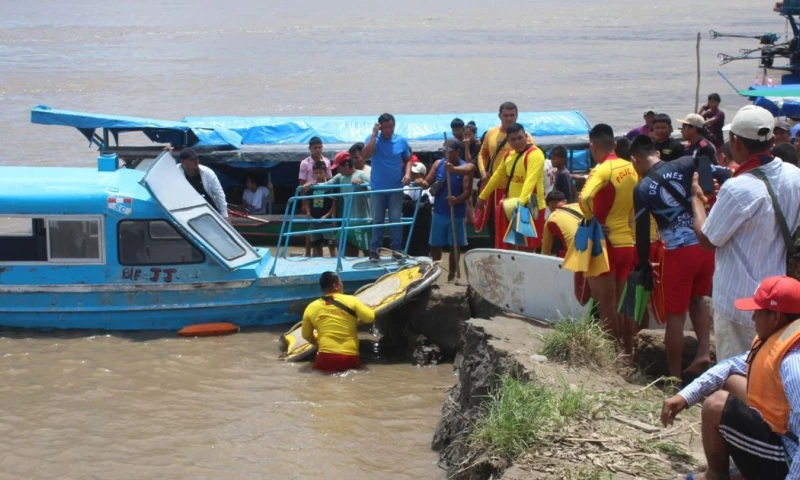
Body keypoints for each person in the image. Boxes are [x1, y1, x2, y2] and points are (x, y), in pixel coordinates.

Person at [660, 275, 800, 480]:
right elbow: (728, 367)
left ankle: (717, 476)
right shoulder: (777, 340)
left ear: (776, 317)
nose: (753, 319)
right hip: (784, 440)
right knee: (733, 380)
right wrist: (686, 396)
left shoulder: (793, 363)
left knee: (716, 404)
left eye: (758, 312)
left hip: (790, 455)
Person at [692, 105, 800, 360]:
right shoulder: (794, 175)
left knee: (735, 377)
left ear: (736, 142)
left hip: (740, 302)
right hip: (780, 297)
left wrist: (696, 200)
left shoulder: (738, 188)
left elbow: (707, 240)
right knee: (770, 372)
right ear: (773, 140)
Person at [629, 135, 715, 381]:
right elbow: (706, 159)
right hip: (705, 246)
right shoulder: (686, 162)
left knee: (675, 316)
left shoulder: (642, 189)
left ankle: (674, 378)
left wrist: (643, 262)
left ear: (635, 160)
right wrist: (705, 188)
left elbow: (643, 232)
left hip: (679, 253)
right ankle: (702, 352)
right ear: (656, 151)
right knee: (698, 299)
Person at [578, 124, 639, 356]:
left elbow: (584, 197)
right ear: (614, 144)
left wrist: (590, 217)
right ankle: (628, 353)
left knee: (606, 305)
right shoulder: (632, 168)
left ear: (593, 146)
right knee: (623, 306)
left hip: (605, 243)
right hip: (627, 243)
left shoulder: (601, 169)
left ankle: (613, 357)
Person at [475, 123, 545, 251]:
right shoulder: (508, 156)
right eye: (513, 139)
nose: (517, 142)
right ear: (508, 141)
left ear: (526, 136)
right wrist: (482, 196)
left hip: (530, 208)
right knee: (511, 248)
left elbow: (530, 181)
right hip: (511, 206)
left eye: (520, 138)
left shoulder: (535, 154)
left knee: (526, 250)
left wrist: (521, 206)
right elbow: (496, 177)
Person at [302, 271, 376, 373]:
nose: (342, 285)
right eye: (341, 283)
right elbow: (370, 318)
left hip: (325, 358)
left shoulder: (311, 307)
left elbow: (306, 335)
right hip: (349, 358)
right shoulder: (352, 300)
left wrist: (317, 342)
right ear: (336, 286)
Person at [362, 113, 412, 262]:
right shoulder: (373, 140)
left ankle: (396, 250)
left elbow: (407, 160)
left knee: (396, 219)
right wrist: (373, 135)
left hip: (396, 188)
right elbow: (365, 155)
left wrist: (408, 173)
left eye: (391, 127)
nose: (389, 130)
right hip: (378, 188)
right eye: (386, 127)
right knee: (377, 220)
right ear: (380, 127)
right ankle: (374, 251)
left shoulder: (401, 140)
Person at [421, 138, 473, 281]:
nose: (447, 154)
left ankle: (452, 275)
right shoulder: (438, 164)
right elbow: (428, 181)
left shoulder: (465, 168)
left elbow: (468, 192)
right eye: (445, 152)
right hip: (439, 212)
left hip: (456, 213)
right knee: (435, 245)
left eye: (449, 152)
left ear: (457, 151)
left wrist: (457, 199)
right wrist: (423, 182)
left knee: (454, 246)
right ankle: (434, 274)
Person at [307, 153, 371, 257]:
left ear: (346, 165)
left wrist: (362, 185)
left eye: (339, 167)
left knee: (367, 250)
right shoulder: (340, 177)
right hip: (347, 221)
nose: (337, 170)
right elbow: (326, 185)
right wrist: (312, 185)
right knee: (347, 249)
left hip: (362, 220)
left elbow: (372, 193)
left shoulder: (362, 175)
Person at [477, 102, 534, 184]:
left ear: (517, 116)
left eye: (512, 115)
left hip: (515, 186)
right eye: (505, 116)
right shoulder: (491, 133)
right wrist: (483, 172)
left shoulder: (525, 138)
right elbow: (482, 154)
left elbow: (532, 162)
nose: (509, 119)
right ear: (499, 116)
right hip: (493, 185)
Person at [299, 137, 332, 257]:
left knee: (326, 227)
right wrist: (303, 202)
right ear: (310, 148)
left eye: (319, 147)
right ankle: (309, 253)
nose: (318, 150)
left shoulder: (327, 162)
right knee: (311, 226)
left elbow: (330, 180)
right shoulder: (305, 163)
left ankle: (328, 255)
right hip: (311, 197)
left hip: (324, 196)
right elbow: (302, 183)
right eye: (315, 148)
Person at [178, 148, 228, 219]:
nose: (196, 162)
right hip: (187, 213)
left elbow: (219, 194)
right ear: (183, 162)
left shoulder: (208, 172)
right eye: (192, 160)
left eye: (197, 159)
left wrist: (224, 214)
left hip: (210, 211)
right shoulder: (175, 173)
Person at [302, 162, 337, 258]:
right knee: (316, 245)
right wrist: (309, 214)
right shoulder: (311, 188)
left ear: (325, 173)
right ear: (313, 174)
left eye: (321, 172)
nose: (318, 175)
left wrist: (327, 216)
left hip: (327, 221)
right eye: (316, 173)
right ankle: (318, 263)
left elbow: (334, 204)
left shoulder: (330, 188)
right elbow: (308, 203)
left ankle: (334, 262)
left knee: (331, 245)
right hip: (314, 220)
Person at [403, 162, 433, 257]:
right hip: (408, 227)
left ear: (422, 175)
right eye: (412, 173)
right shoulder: (405, 189)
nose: (412, 176)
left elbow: (426, 206)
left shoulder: (428, 191)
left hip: (422, 228)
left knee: (423, 252)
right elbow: (403, 206)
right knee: (408, 251)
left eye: (415, 174)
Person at [541, 191, 582, 258]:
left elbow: (545, 253)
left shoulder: (551, 219)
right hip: (596, 249)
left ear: (550, 205)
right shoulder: (578, 206)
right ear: (565, 201)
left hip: (576, 258)